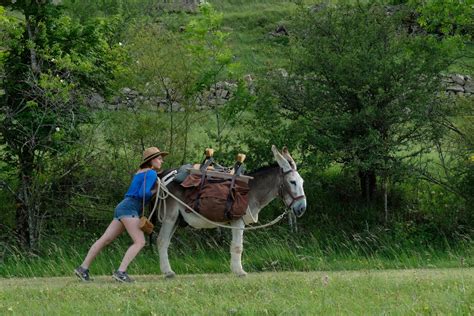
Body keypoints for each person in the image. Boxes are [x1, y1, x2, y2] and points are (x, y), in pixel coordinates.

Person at [74, 147, 168, 283]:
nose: (162, 161)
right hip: (130, 208)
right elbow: (143, 194)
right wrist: (155, 190)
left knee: (104, 239)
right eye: (159, 158)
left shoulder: (140, 172)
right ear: (152, 160)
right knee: (140, 242)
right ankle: (121, 272)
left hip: (122, 207)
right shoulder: (152, 174)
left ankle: (83, 268)